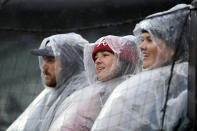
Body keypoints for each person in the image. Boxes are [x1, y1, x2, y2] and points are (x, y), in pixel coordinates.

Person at [91, 4, 191, 131]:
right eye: (142, 40)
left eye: (149, 40)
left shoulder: (184, 81)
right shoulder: (153, 82)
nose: (141, 46)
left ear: (172, 44)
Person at [47, 35, 140, 131]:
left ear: (123, 60)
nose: (98, 61)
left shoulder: (136, 88)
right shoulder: (90, 94)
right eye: (95, 57)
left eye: (105, 55)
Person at [7, 33, 89, 131]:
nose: (44, 66)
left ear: (69, 62)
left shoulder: (84, 96)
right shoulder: (51, 93)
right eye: (44, 60)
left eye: (50, 60)